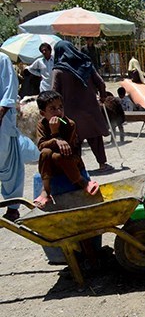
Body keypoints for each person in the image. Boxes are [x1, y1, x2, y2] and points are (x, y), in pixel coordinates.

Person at [51, 40, 113, 172]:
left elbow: (54, 93)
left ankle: (78, 168)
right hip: (90, 109)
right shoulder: (86, 64)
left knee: (74, 140)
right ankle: (102, 164)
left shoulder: (59, 71)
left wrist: (55, 111)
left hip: (70, 112)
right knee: (95, 137)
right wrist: (102, 96)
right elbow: (101, 83)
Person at [32, 90, 100, 208]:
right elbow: (41, 145)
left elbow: (67, 149)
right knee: (45, 152)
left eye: (61, 107)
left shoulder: (70, 124)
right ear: (43, 113)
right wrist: (55, 138)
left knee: (57, 155)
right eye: (52, 109)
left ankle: (82, 181)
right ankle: (46, 190)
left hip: (70, 161)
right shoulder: (41, 124)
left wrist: (56, 133)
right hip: (51, 164)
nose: (58, 112)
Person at [1, 52, 25, 221]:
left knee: (9, 165)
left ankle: (12, 208)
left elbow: (9, 88)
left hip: (2, 124)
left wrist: (2, 111)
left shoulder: (2, 60)